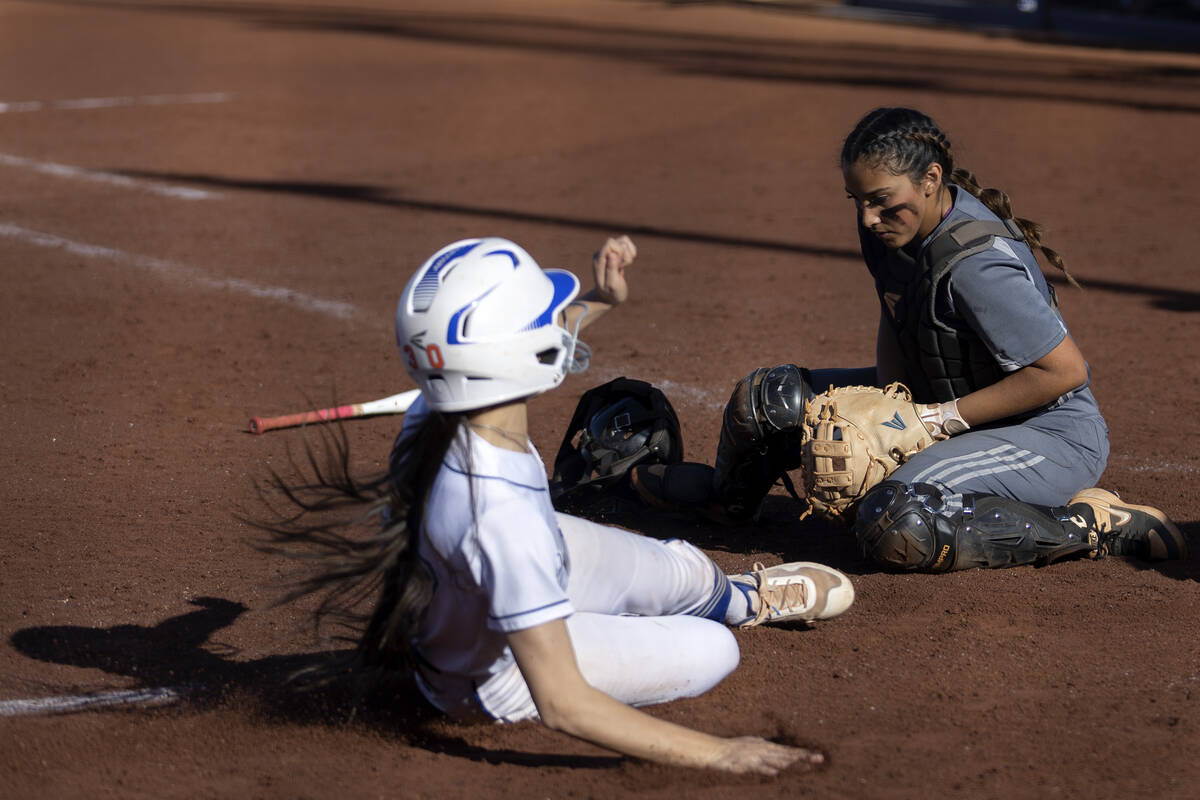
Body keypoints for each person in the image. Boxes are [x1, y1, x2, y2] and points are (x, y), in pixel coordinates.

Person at [260, 235, 854, 775]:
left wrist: (602, 297)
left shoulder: (438, 410)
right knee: (712, 649)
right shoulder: (496, 515)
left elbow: (516, 345)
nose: (558, 329)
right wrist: (720, 752)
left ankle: (740, 596)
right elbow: (563, 703)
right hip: (494, 680)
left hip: (505, 569)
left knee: (689, 569)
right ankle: (714, 615)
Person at [632, 107, 1187, 572]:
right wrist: (888, 408)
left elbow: (1063, 373)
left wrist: (929, 424)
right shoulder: (891, 230)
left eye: (881, 201)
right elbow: (896, 316)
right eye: (857, 201)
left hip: (1044, 432)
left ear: (931, 180)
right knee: (769, 399)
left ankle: (1091, 523)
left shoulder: (976, 267)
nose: (869, 217)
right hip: (950, 403)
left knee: (898, 516)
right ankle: (731, 504)